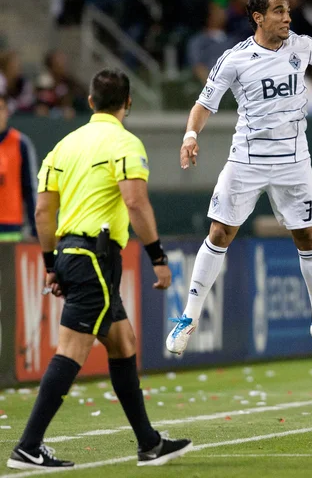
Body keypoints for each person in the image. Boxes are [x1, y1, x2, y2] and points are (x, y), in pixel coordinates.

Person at [7, 69, 192, 471]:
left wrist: (51, 263)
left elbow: (42, 211)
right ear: (128, 103)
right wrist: (158, 257)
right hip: (95, 258)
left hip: (72, 255)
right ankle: (28, 446)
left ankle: (148, 443)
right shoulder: (125, 143)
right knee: (72, 350)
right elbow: (136, 203)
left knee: (123, 343)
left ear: (90, 102)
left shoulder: (63, 146)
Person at [166, 0, 312, 361]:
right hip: (247, 160)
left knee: (306, 236)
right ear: (258, 17)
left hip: (294, 160)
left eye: (288, 11)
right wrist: (190, 136)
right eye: (279, 12)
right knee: (220, 232)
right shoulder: (235, 59)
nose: (287, 18)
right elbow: (204, 104)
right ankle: (188, 317)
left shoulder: (301, 46)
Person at [0, 94, 37, 241]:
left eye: (1, 109)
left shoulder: (21, 144)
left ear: (7, 112)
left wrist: (35, 228)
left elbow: (30, 189)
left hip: (11, 227)